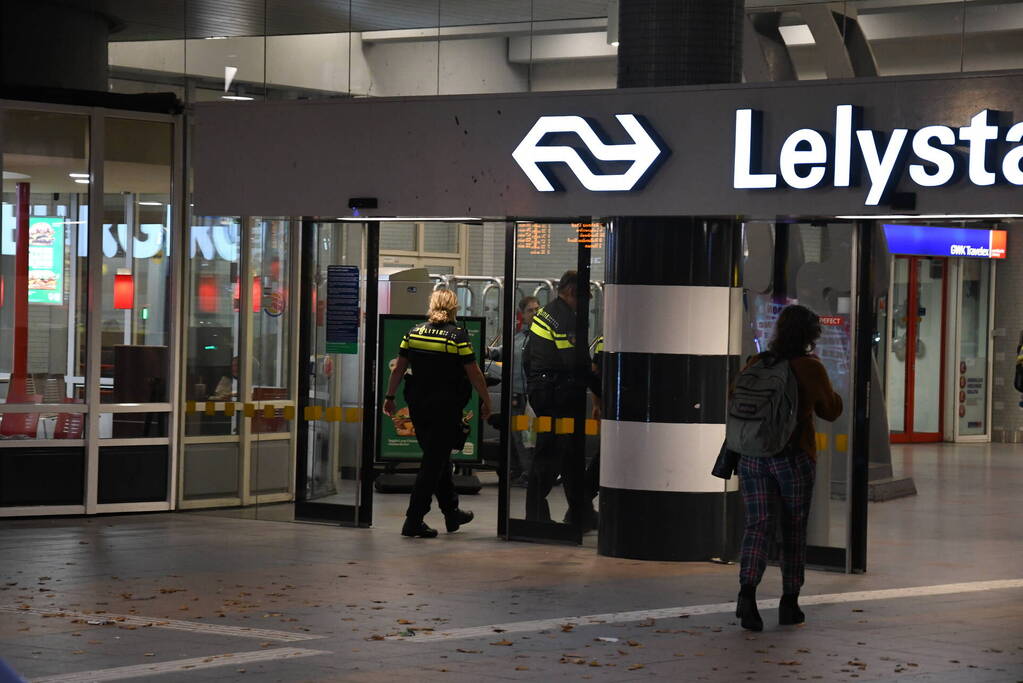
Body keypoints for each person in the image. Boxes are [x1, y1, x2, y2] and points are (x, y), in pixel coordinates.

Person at [735, 304, 843, 631]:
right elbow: (831, 410)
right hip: (793, 456)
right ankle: (789, 602)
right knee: (793, 528)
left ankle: (747, 594)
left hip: (753, 455)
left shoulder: (758, 362)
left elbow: (734, 398)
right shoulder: (810, 367)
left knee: (758, 526)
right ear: (811, 335)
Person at [383, 289, 493, 538]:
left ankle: (451, 513)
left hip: (419, 407)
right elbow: (474, 372)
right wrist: (486, 401)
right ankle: (413, 521)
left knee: (438, 459)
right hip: (445, 409)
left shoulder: (413, 332)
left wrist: (390, 397)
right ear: (454, 308)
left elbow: (398, 369)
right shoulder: (457, 336)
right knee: (433, 464)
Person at [522, 270, 593, 528]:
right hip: (557, 395)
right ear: (574, 292)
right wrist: (600, 386)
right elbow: (573, 362)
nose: (590, 300)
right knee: (550, 456)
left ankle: (581, 512)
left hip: (546, 390)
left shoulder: (547, 313)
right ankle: (537, 516)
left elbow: (527, 356)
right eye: (588, 295)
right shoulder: (564, 318)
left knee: (570, 455)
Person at [487, 295, 540, 486]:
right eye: (530, 311)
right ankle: (517, 469)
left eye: (536, 310)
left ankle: (529, 473)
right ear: (522, 315)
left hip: (531, 397)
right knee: (514, 436)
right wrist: (487, 350)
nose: (534, 314)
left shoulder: (542, 337)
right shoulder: (517, 337)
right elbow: (501, 350)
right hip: (514, 394)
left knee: (527, 437)